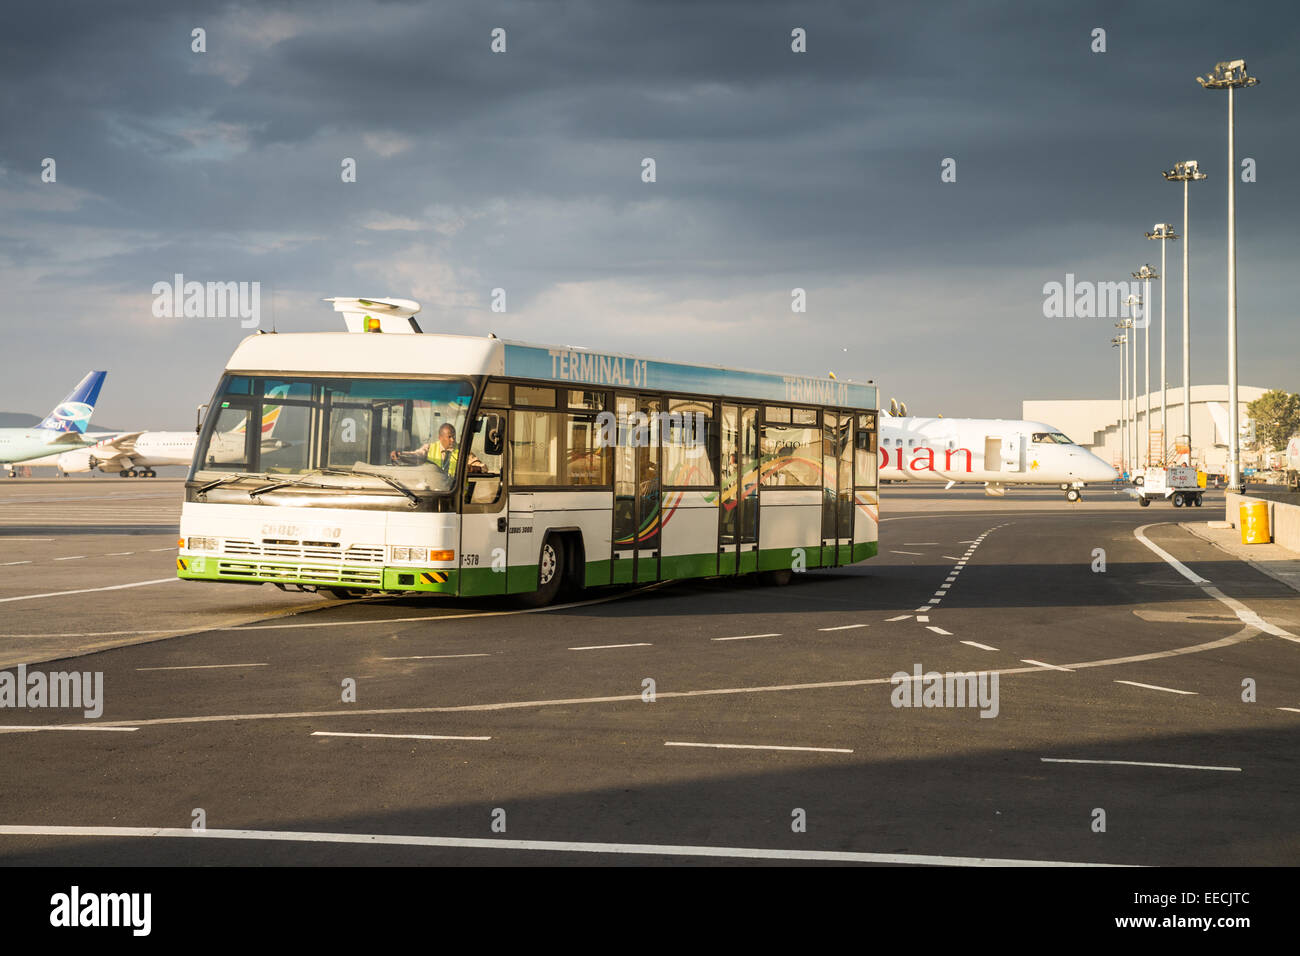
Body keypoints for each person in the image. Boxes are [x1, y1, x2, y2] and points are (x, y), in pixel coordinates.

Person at [391, 422, 480, 476]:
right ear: (440, 437)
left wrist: (472, 469)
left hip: (456, 494)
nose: (452, 440)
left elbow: (483, 468)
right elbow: (417, 455)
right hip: (434, 491)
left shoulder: (463, 451)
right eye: (449, 437)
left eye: (454, 436)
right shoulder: (429, 448)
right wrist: (401, 455)